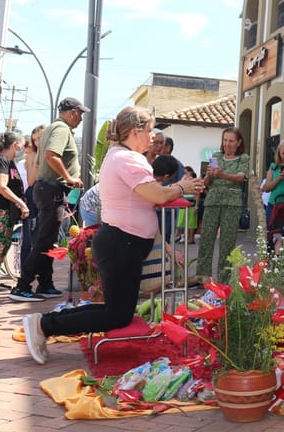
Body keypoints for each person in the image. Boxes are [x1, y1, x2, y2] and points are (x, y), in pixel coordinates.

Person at [20, 106, 205, 364]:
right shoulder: (127, 159)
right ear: (135, 131)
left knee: (119, 312)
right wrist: (181, 186)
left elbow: (148, 195)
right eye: (150, 131)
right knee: (116, 315)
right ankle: (44, 325)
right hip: (122, 244)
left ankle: (44, 324)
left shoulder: (121, 156)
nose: (153, 137)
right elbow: (157, 195)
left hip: (123, 244)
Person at [10, 98, 86, 302]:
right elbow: (52, 156)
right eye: (80, 114)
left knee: (48, 241)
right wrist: (69, 177)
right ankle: (22, 286)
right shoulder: (61, 129)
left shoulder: (56, 128)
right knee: (44, 241)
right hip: (51, 189)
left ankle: (45, 283)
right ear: (71, 112)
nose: (80, 118)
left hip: (50, 189)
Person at [197, 127, 250, 284]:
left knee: (227, 241)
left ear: (239, 142)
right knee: (206, 237)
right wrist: (208, 175)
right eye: (225, 140)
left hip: (231, 203)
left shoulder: (243, 158)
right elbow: (207, 182)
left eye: (231, 141)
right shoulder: (216, 156)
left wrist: (222, 175)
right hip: (213, 200)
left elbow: (241, 177)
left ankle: (224, 279)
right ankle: (202, 275)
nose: (227, 144)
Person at [0, 131, 29, 292]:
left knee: (4, 243)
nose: (23, 149)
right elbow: (1, 186)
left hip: (7, 210)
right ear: (14, 145)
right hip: (0, 209)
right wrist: (20, 202)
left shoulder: (9, 163)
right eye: (22, 145)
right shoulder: (1, 161)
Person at [21, 125, 44, 265]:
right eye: (34, 139)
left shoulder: (51, 154)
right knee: (29, 236)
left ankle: (38, 268)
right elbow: (30, 181)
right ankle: (25, 270)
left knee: (42, 235)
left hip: (47, 197)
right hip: (33, 194)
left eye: (40, 138)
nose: (37, 142)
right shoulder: (33, 156)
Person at [175, 167, 199, 244]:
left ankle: (191, 238)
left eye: (188, 175)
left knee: (191, 223)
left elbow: (197, 195)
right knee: (181, 222)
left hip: (191, 205)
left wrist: (196, 206)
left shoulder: (196, 185)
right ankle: (182, 237)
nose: (186, 177)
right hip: (183, 206)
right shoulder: (183, 185)